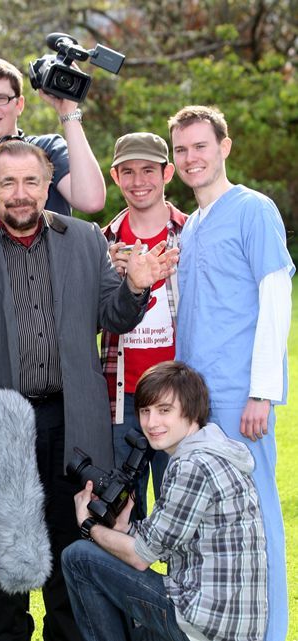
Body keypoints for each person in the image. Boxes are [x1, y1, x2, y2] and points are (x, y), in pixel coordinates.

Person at [0, 140, 178, 641]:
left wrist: (136, 287)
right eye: (7, 182)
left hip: (70, 422)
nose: (20, 193)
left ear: (48, 184)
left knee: (71, 550)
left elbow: (112, 315)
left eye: (31, 181)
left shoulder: (84, 240)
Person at [168, 105, 293, 641]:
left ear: (225, 146)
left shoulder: (253, 209)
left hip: (240, 397)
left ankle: (268, 631)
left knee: (256, 517)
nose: (192, 157)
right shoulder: (191, 225)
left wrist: (262, 392)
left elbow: (275, 295)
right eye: (182, 149)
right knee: (212, 528)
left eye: (201, 145)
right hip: (195, 404)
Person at [62, 360, 267, 641]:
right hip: (226, 625)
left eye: (164, 410)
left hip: (203, 626)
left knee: (77, 557)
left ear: (192, 412)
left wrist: (88, 525)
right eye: (145, 411)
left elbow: (140, 558)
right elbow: (164, 539)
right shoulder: (211, 453)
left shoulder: (193, 465)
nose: (151, 423)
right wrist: (123, 527)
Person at [101, 132, 187, 519]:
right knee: (124, 512)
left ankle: (182, 582)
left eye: (149, 170)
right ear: (115, 176)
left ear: (167, 173)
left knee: (181, 512)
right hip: (122, 398)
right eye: (129, 171)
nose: (139, 181)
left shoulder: (192, 234)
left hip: (179, 396)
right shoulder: (103, 243)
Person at [0, 56, 105, 223]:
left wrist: (68, 112)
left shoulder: (47, 150)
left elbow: (91, 201)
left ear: (19, 105)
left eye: (1, 98)